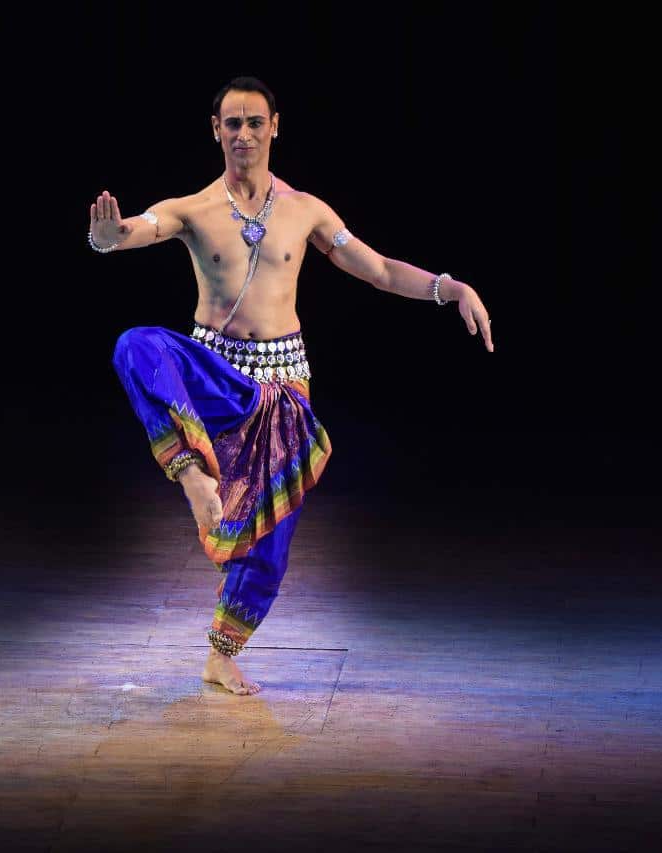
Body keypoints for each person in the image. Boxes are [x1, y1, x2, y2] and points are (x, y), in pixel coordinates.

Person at [93, 76, 493, 696]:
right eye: (233, 124)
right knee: (136, 344)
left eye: (255, 122)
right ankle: (193, 477)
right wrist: (109, 238)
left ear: (275, 127)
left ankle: (221, 656)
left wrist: (450, 288)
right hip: (219, 380)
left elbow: (380, 269)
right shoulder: (194, 209)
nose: (244, 134)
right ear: (216, 132)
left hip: (283, 394)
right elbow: (141, 227)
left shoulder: (306, 210)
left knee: (271, 545)